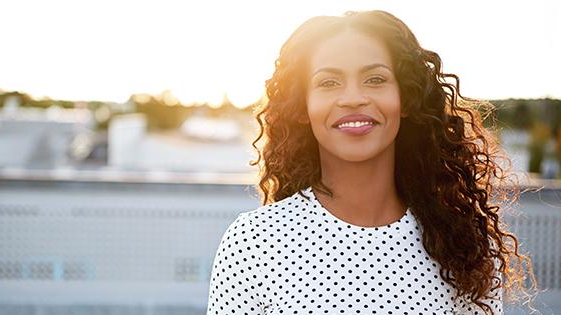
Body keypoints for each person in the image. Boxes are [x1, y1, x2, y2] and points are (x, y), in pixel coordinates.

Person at [206, 10, 536, 315]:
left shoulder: (465, 246)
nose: (352, 98)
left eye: (375, 79)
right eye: (328, 82)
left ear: (406, 98)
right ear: (302, 107)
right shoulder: (253, 243)